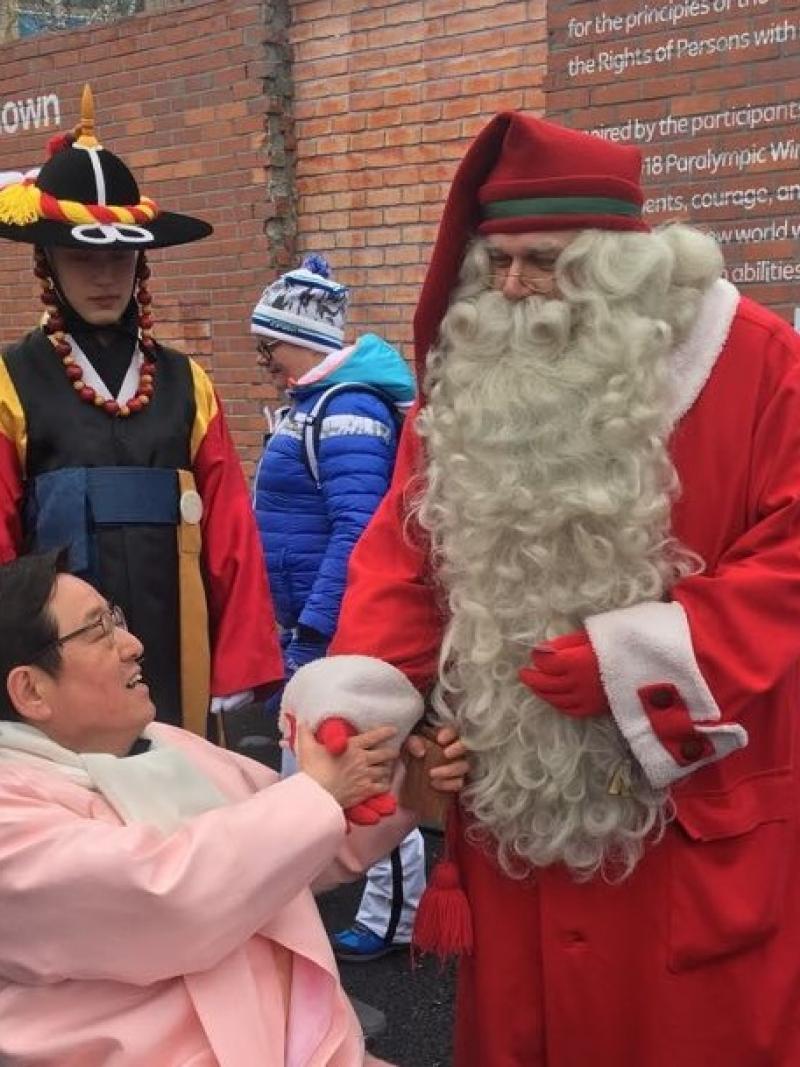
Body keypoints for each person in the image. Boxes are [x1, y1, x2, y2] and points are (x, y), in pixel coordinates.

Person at [301, 112, 800, 1065]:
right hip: (515, 822)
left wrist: (639, 660)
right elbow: (405, 558)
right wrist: (366, 710)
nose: (515, 289)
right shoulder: (469, 389)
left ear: (622, 267)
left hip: (695, 814)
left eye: (543, 262)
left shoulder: (761, 365)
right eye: (499, 263)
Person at [0, 550, 468, 1065]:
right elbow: (169, 899)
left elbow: (290, 852)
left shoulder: (165, 743)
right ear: (30, 690)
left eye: (118, 619)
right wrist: (320, 793)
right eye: (97, 631)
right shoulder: (12, 813)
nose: (133, 645)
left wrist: (406, 788)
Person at [0, 85, 282, 738]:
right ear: (47, 262)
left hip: (176, 639)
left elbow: (232, 534)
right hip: (58, 658)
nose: (105, 277)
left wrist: (238, 665)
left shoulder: (188, 385)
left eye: (119, 258)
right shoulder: (12, 383)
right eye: (82, 258)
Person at [251, 255, 425, 961]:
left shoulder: (346, 409)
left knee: (360, 767)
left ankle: (393, 913)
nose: (265, 359)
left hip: (340, 627)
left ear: (299, 337)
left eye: (269, 344)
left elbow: (359, 528)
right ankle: (381, 904)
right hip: (318, 620)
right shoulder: (319, 403)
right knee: (335, 764)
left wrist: (316, 627)